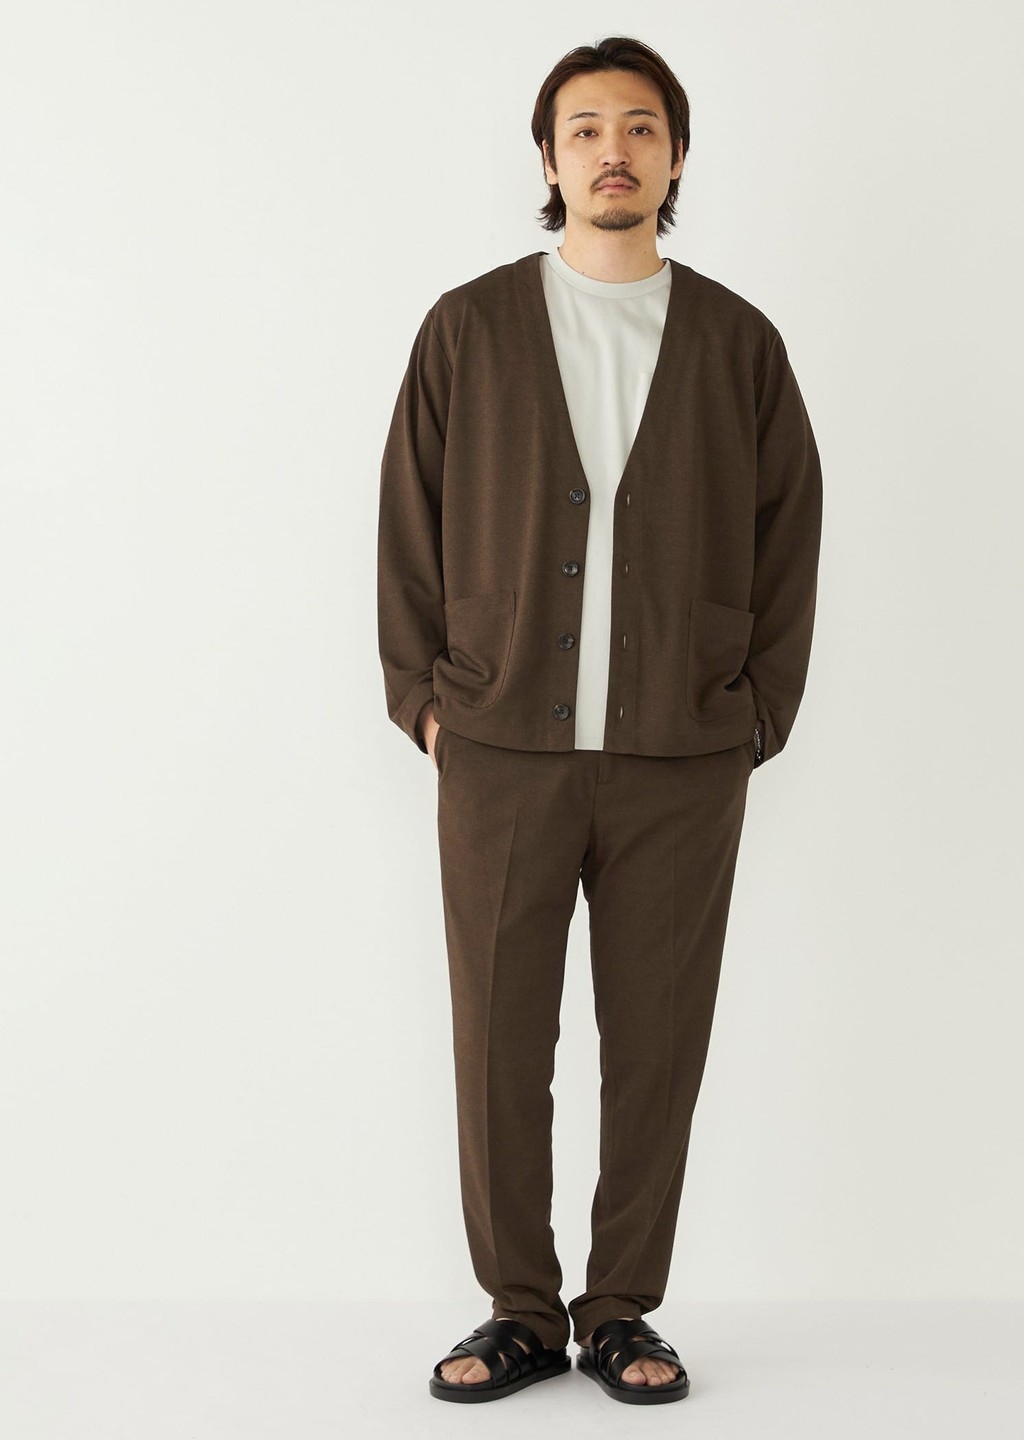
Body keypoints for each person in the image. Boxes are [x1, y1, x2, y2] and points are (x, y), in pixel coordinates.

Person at [377, 35, 823, 1406]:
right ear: (550, 158)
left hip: (681, 758)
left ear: (676, 158)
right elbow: (408, 521)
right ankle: (519, 1307)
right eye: (585, 129)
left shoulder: (739, 343)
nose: (612, 150)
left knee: (657, 1043)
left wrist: (755, 715)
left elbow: (791, 532)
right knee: (498, 1040)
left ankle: (622, 1308)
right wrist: (427, 706)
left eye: (639, 127)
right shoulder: (470, 328)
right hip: (501, 746)